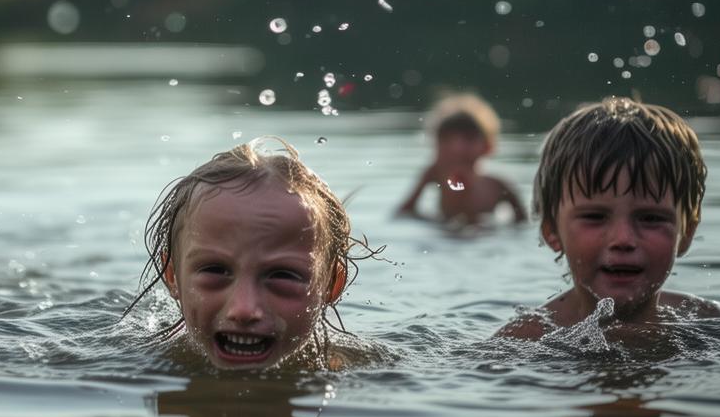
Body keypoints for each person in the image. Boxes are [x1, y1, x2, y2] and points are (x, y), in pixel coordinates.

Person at [128, 137, 383, 371]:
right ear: (172, 276)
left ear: (331, 285)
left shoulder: (363, 372)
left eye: (282, 275)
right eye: (215, 270)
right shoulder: (136, 369)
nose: (244, 310)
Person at [497, 97, 720, 339]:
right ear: (552, 231)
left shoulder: (707, 321)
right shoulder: (525, 338)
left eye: (650, 218)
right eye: (595, 217)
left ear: (686, 233)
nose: (623, 239)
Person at [396, 93, 526, 225]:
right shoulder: (434, 173)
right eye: (446, 138)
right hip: (444, 233)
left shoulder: (497, 186)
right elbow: (403, 213)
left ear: (487, 146)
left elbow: (523, 224)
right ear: (435, 144)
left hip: (484, 234)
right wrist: (435, 224)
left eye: (469, 138)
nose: (457, 147)